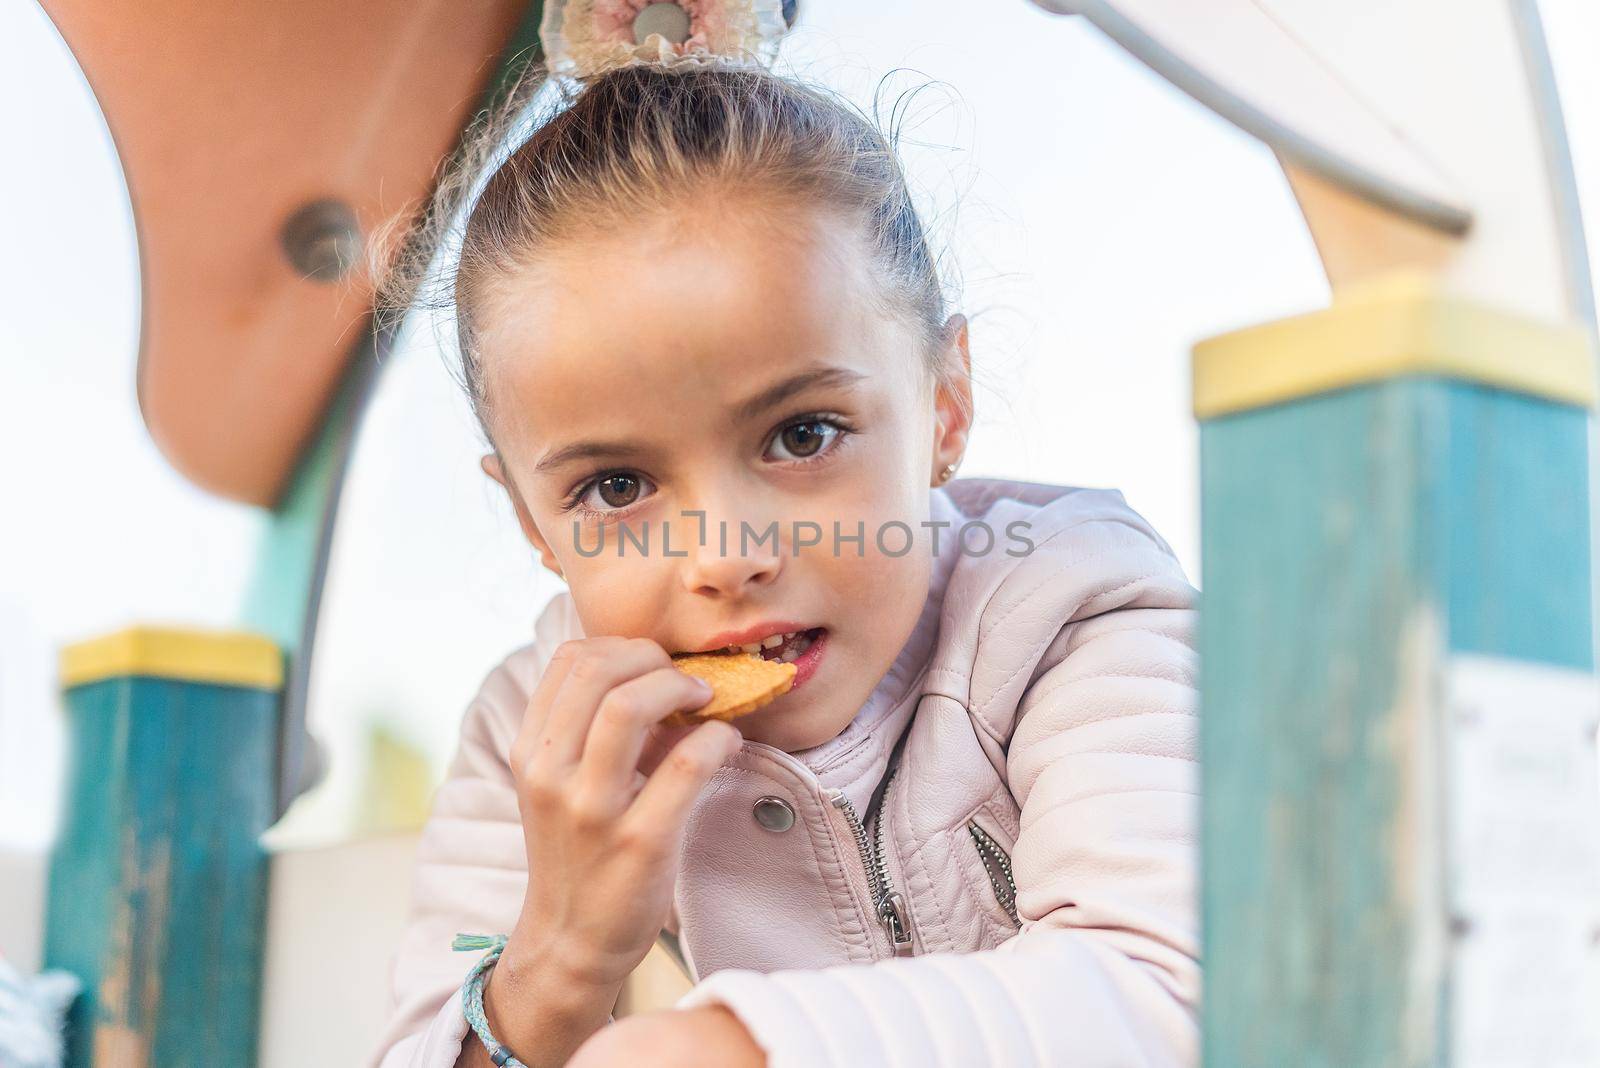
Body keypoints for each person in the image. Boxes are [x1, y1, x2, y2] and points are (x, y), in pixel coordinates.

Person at [370, 3, 1199, 1065]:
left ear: (944, 408)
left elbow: (1174, 988)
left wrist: (720, 1048)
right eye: (617, 487)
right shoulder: (534, 732)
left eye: (801, 434)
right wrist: (559, 960)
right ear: (534, 523)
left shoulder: (1073, 610)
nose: (723, 556)